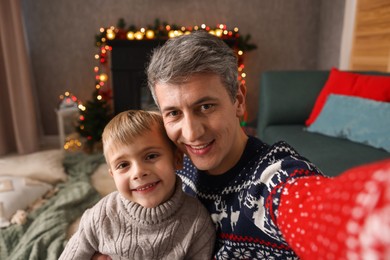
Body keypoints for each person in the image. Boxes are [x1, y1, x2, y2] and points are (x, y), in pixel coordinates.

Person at [95, 31, 390, 259]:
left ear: (238, 100)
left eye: (206, 106)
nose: (192, 132)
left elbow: (321, 210)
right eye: (173, 113)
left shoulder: (276, 181)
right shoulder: (171, 162)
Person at [60, 110, 215, 260]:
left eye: (151, 156)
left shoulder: (197, 222)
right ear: (113, 175)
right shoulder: (100, 216)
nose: (138, 172)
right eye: (123, 165)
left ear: (177, 159)